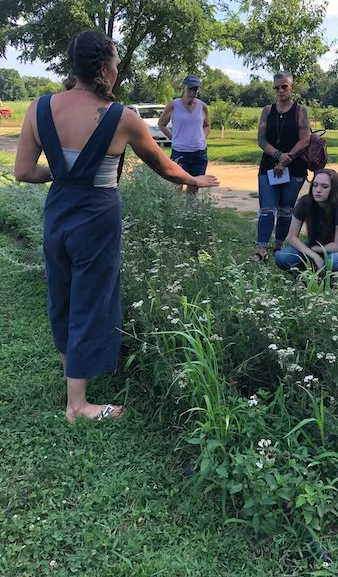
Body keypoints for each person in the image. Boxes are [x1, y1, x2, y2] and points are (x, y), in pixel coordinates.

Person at [14, 30, 219, 421]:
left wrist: (63, 173)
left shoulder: (39, 108)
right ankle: (77, 405)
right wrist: (194, 179)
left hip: (58, 213)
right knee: (91, 298)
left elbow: (23, 171)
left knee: (63, 293)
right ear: (105, 68)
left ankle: (73, 378)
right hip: (97, 218)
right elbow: (164, 166)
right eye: (116, 62)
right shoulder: (122, 117)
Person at [253, 71, 311, 262]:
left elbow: (305, 140)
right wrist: (278, 156)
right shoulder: (267, 111)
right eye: (276, 87)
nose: (280, 91)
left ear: (292, 87)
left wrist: (287, 159)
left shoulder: (300, 111)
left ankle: (278, 247)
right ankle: (262, 250)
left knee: (286, 210)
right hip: (269, 165)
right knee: (267, 209)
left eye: (284, 86)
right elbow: (261, 140)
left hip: (295, 167)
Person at [274, 168, 338, 277]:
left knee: (337, 261)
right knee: (282, 257)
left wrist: (315, 250)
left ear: (333, 189)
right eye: (315, 185)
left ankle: (336, 279)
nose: (318, 190)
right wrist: (314, 255)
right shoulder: (304, 202)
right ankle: (308, 276)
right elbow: (292, 237)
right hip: (314, 245)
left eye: (324, 186)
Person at [158, 74, 210, 195]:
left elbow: (207, 125)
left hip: (199, 153)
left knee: (194, 186)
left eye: (195, 90)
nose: (192, 93)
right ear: (183, 88)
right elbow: (161, 124)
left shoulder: (202, 106)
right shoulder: (173, 105)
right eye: (190, 89)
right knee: (176, 186)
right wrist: (173, 138)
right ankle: (175, 208)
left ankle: (190, 208)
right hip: (180, 152)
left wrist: (202, 138)